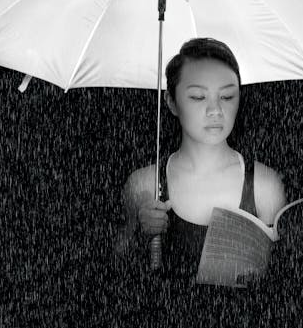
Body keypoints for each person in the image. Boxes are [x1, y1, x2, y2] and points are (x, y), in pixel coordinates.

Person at [115, 38, 287, 279]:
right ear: (171, 102)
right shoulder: (145, 183)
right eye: (198, 97)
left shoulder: (264, 185)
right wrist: (139, 237)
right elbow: (116, 267)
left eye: (227, 97)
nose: (215, 110)